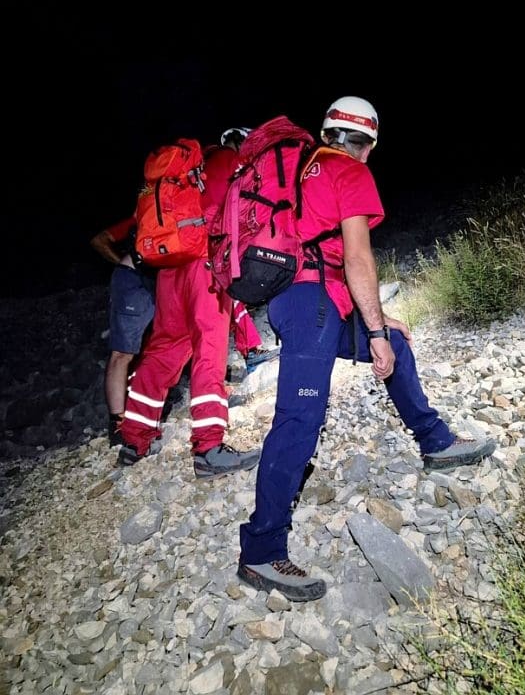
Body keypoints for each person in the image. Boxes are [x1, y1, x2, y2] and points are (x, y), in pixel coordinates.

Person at [236, 97, 497, 602]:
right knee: (299, 420)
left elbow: (324, 252)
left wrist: (380, 325)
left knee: (398, 337)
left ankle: (436, 443)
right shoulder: (347, 171)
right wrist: (372, 333)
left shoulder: (306, 167)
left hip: (309, 301)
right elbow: (356, 257)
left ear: (329, 130)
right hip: (312, 301)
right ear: (369, 141)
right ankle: (261, 551)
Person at [115, 139, 262, 477]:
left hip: (169, 268)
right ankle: (209, 447)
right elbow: (239, 213)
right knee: (209, 349)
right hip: (204, 263)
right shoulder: (229, 160)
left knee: (165, 347)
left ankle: (134, 440)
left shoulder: (182, 173)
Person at [205, 126, 277, 370]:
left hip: (198, 236)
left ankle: (246, 351)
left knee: (223, 295)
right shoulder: (230, 159)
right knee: (229, 289)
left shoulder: (207, 162)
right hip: (214, 235)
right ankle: (251, 350)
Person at [89, 215, 156, 437]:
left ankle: (143, 408)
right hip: (133, 278)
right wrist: (123, 263)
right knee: (122, 352)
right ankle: (117, 423)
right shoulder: (142, 214)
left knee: (156, 345)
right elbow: (99, 240)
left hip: (159, 279)